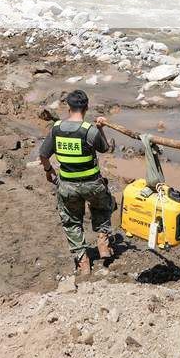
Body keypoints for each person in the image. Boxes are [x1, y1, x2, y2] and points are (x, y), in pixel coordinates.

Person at [39, 90, 115, 276]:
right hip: (92, 184)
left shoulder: (56, 128)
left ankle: (83, 261)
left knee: (71, 221)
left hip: (67, 185)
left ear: (68, 107)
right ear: (86, 107)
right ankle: (103, 243)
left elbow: (43, 154)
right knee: (104, 207)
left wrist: (49, 171)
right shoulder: (89, 130)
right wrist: (101, 128)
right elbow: (105, 148)